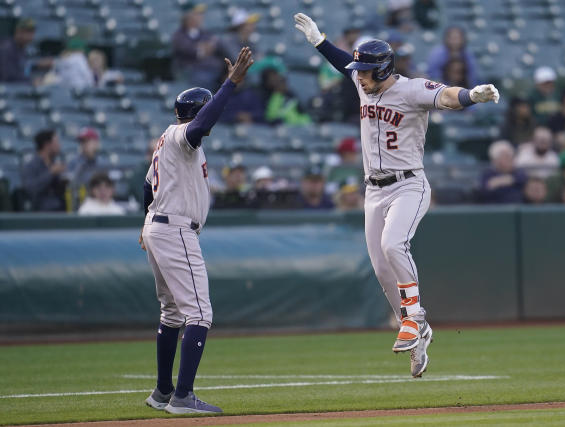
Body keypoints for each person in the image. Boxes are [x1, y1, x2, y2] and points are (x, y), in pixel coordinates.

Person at [294, 12, 499, 377]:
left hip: (409, 184)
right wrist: (320, 42)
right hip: (373, 191)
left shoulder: (410, 89)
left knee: (393, 244)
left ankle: (415, 318)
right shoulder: (363, 82)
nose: (359, 75)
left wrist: (472, 96)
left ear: (385, 70)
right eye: (359, 70)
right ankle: (418, 334)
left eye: (366, 70)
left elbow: (448, 97)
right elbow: (345, 63)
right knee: (381, 270)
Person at [139, 46, 253, 414]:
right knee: (199, 313)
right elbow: (202, 124)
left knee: (172, 313)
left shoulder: (169, 144)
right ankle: (183, 397)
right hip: (174, 230)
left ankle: (161, 392)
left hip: (159, 226)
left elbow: (146, 187)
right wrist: (230, 84)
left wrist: (145, 222)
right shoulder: (180, 136)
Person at [171, 3, 224, 89]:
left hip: (213, 69)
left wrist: (203, 48)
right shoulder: (179, 35)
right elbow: (192, 51)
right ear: (187, 17)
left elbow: (215, 45)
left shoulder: (204, 33)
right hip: (191, 72)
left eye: (201, 14)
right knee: (204, 81)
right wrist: (203, 49)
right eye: (197, 14)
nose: (201, 17)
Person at [21, 129, 66, 212]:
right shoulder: (30, 166)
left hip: (60, 211)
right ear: (47, 145)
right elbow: (31, 189)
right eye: (56, 142)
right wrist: (51, 173)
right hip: (40, 214)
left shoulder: (55, 164)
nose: (59, 145)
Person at [0, 18, 51, 82]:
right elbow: (8, 76)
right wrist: (31, 81)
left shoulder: (21, 47)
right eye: (28, 32)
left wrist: (37, 66)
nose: (31, 37)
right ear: (18, 32)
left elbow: (22, 68)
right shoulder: (6, 48)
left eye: (32, 33)